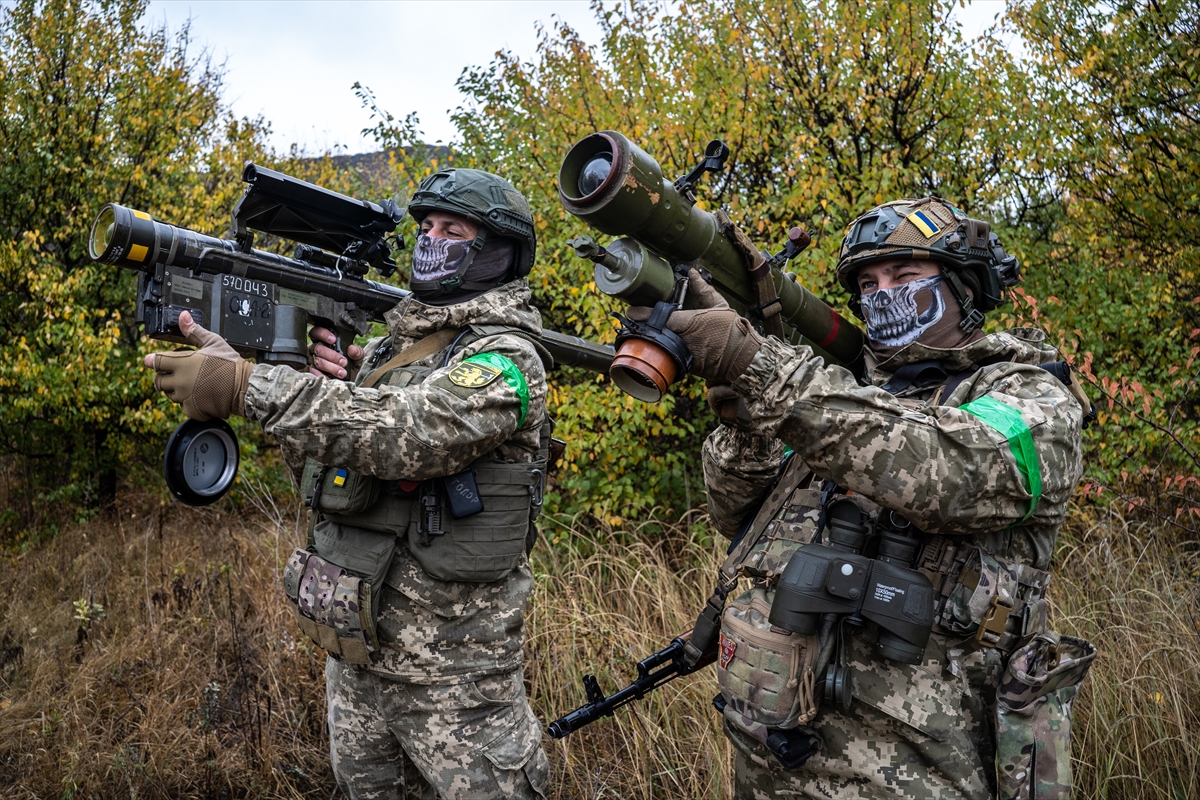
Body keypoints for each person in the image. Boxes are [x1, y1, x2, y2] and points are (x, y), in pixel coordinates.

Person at [635, 197, 1095, 798]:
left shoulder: (1029, 394)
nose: (884, 293)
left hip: (917, 766)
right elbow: (735, 515)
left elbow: (948, 470)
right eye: (869, 281)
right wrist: (745, 418)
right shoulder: (843, 393)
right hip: (776, 749)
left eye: (906, 277)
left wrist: (767, 371)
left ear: (963, 287)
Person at [145, 169, 552, 799]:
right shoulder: (396, 345)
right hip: (357, 659)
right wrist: (318, 382)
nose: (431, 239)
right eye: (426, 226)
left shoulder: (505, 358)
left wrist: (247, 386)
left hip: (455, 685)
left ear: (496, 252)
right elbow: (329, 472)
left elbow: (409, 433)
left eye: (453, 229)